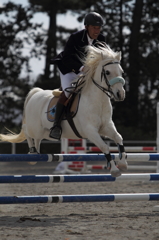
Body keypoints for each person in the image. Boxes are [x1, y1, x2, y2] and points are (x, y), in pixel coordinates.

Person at [50, 12, 106, 140]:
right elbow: (67, 58)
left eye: (99, 28)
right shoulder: (75, 37)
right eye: (94, 28)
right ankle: (56, 126)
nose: (97, 31)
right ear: (87, 27)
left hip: (87, 70)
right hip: (69, 68)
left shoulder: (101, 39)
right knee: (69, 91)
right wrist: (81, 68)